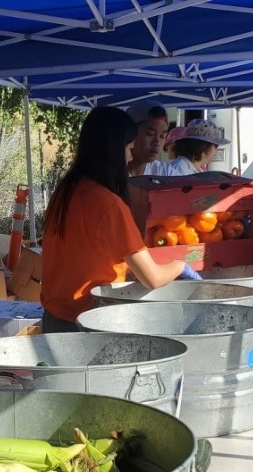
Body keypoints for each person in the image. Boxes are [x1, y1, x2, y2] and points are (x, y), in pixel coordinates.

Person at [40, 107, 201, 333]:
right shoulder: (108, 204)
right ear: (113, 150)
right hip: (89, 325)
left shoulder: (65, 191)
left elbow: (85, 252)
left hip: (54, 319)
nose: (129, 156)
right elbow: (152, 278)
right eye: (128, 148)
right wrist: (180, 266)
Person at [125, 101, 179, 177]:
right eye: (150, 134)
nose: (157, 142)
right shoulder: (110, 175)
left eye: (162, 136)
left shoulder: (165, 174)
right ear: (130, 134)